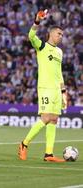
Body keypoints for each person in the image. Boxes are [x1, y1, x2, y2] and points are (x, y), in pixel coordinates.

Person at [18, 10, 67, 162]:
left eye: (62, 35)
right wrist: (37, 21)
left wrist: (64, 92)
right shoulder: (42, 47)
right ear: (51, 34)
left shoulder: (59, 52)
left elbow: (59, 73)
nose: (61, 36)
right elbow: (31, 36)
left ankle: (49, 154)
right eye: (59, 33)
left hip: (56, 90)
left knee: (54, 120)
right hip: (45, 88)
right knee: (46, 117)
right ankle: (24, 144)